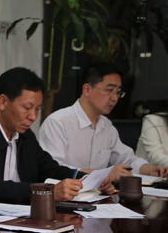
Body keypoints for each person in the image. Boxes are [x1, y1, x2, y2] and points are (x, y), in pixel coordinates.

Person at [0, 67, 100, 203]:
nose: (33, 117)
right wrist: (47, 192)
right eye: (27, 107)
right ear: (3, 102)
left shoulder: (26, 136)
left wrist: (88, 180)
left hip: (20, 215)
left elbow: (51, 169)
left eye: (37, 109)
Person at [39, 62, 168, 180]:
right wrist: (105, 174)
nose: (114, 98)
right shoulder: (58, 123)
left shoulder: (107, 126)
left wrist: (151, 169)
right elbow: (54, 170)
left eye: (118, 92)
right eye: (109, 90)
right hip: (65, 195)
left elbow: (127, 161)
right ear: (87, 90)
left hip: (99, 195)